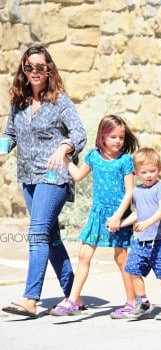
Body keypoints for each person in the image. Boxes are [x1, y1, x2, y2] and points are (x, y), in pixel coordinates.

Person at [1, 45, 87, 318]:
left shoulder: (59, 100)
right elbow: (9, 135)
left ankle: (30, 299)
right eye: (29, 67)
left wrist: (64, 147)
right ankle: (74, 295)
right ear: (23, 71)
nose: (35, 72)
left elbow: (79, 133)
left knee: (37, 233)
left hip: (54, 176)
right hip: (28, 177)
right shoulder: (19, 102)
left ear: (49, 69)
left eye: (40, 67)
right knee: (50, 238)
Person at [50, 114, 139, 317]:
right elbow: (78, 176)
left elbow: (130, 192)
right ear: (102, 137)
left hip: (119, 216)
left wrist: (118, 216)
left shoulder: (126, 160)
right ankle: (72, 300)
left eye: (121, 137)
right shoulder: (93, 156)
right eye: (113, 137)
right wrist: (63, 156)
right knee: (84, 255)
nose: (118, 141)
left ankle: (132, 302)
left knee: (121, 258)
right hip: (97, 214)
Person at [117, 147, 161, 320]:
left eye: (152, 171)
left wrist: (146, 223)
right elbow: (138, 213)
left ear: (159, 169)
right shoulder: (137, 191)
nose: (149, 175)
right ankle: (142, 302)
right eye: (144, 172)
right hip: (142, 241)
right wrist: (121, 223)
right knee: (132, 268)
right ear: (136, 173)